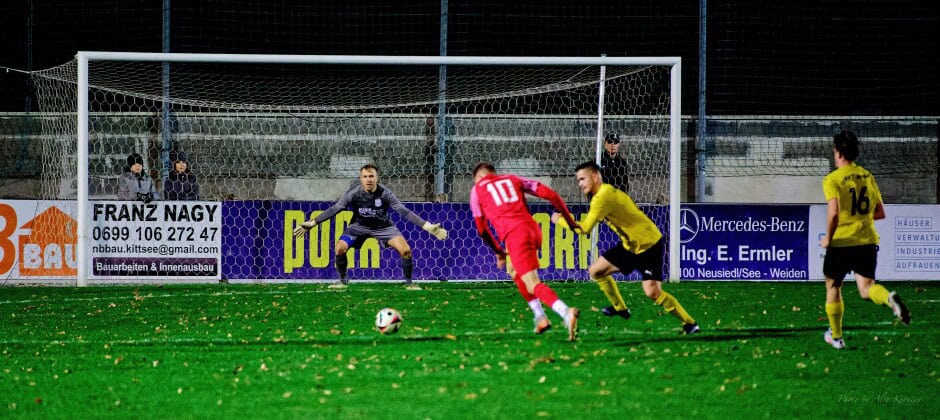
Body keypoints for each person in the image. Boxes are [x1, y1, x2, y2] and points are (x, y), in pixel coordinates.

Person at [552, 161, 699, 334]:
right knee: (596, 271)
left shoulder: (602, 196)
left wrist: (559, 220)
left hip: (648, 244)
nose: (580, 184)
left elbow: (585, 229)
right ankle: (620, 308)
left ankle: (690, 323)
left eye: (583, 179)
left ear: (594, 176)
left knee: (652, 292)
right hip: (630, 245)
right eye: (578, 180)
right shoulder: (602, 194)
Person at [470, 162, 582, 341]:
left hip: (516, 235)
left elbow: (482, 229)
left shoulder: (477, 190)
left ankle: (565, 312)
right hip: (532, 229)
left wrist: (498, 251)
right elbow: (551, 195)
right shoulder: (512, 179)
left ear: (479, 178)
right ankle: (540, 318)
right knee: (513, 271)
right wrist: (569, 220)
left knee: (532, 283)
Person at [819, 130, 910, 350]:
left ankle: (837, 337)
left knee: (833, 286)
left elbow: (834, 213)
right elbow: (879, 212)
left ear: (840, 153)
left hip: (842, 241)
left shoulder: (832, 179)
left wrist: (828, 239)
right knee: (867, 288)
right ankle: (889, 298)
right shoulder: (867, 176)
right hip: (867, 240)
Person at [293, 164, 448, 287]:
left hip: (384, 227)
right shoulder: (353, 194)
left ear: (377, 178)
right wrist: (313, 222)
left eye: (371, 176)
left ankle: (409, 283)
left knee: (406, 251)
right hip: (358, 227)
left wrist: (427, 226)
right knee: (340, 247)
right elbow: (336, 208)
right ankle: (342, 281)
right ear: (361, 179)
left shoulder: (385, 193)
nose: (368, 179)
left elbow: (403, 211)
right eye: (365, 176)